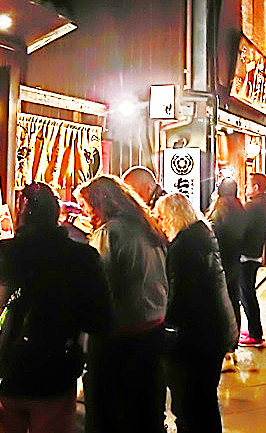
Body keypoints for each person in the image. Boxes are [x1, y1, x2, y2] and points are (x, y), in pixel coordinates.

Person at [0, 182, 114, 433]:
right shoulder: (84, 258)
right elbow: (101, 321)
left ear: (20, 216)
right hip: (56, 377)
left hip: (2, 373)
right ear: (57, 216)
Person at [75, 175, 168, 433]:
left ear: (100, 204)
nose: (87, 213)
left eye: (87, 206)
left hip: (119, 335)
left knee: (108, 413)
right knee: (146, 409)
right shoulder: (147, 227)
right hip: (153, 329)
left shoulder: (109, 233)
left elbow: (98, 283)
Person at [154, 193, 236, 433]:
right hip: (212, 332)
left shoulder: (184, 247)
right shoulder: (201, 236)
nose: (160, 223)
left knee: (189, 405)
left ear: (172, 216)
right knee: (205, 401)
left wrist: (163, 328)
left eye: (161, 217)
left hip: (194, 339)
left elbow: (180, 297)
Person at [205, 178, 246, 367]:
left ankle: (223, 346)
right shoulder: (241, 211)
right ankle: (232, 345)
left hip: (219, 263)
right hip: (235, 262)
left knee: (219, 303)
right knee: (234, 301)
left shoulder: (217, 213)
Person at [238, 173, 266, 347]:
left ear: (256, 187)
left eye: (248, 184)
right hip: (256, 253)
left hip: (245, 254)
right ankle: (254, 330)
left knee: (246, 294)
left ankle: (255, 334)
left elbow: (241, 229)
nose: (245, 187)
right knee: (248, 292)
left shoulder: (249, 207)